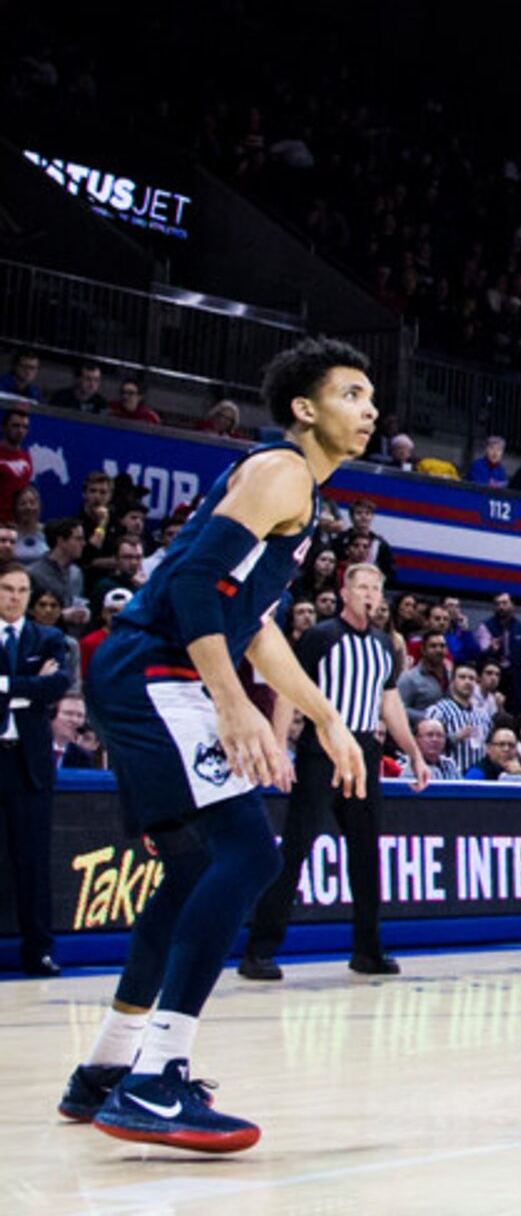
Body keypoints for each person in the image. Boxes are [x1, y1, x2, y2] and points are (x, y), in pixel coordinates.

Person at [62, 337, 375, 1153]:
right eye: (350, 394)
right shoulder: (284, 473)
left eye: (371, 397)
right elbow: (196, 587)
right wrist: (231, 703)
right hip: (156, 668)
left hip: (149, 669)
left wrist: (327, 717)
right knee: (250, 854)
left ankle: (105, 1071)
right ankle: (158, 1081)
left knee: (199, 865)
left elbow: (255, 624)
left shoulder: (294, 497)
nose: (369, 409)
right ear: (304, 410)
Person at [239, 558, 430, 982]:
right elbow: (287, 689)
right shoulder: (320, 637)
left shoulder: (385, 645)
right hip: (321, 749)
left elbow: (390, 701)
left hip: (364, 750)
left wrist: (414, 752)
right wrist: (276, 745)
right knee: (295, 851)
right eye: (361, 587)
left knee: (366, 856)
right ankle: (259, 951)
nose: (369, 595)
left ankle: (367, 950)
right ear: (345, 593)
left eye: (375, 589)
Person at [1, 561, 75, 974]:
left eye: (22, 590)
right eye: (7, 589)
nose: (15, 597)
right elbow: (38, 688)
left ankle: (39, 950)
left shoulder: (47, 638)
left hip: (29, 764)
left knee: (33, 862)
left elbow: (56, 685)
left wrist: (5, 685)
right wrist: (27, 688)